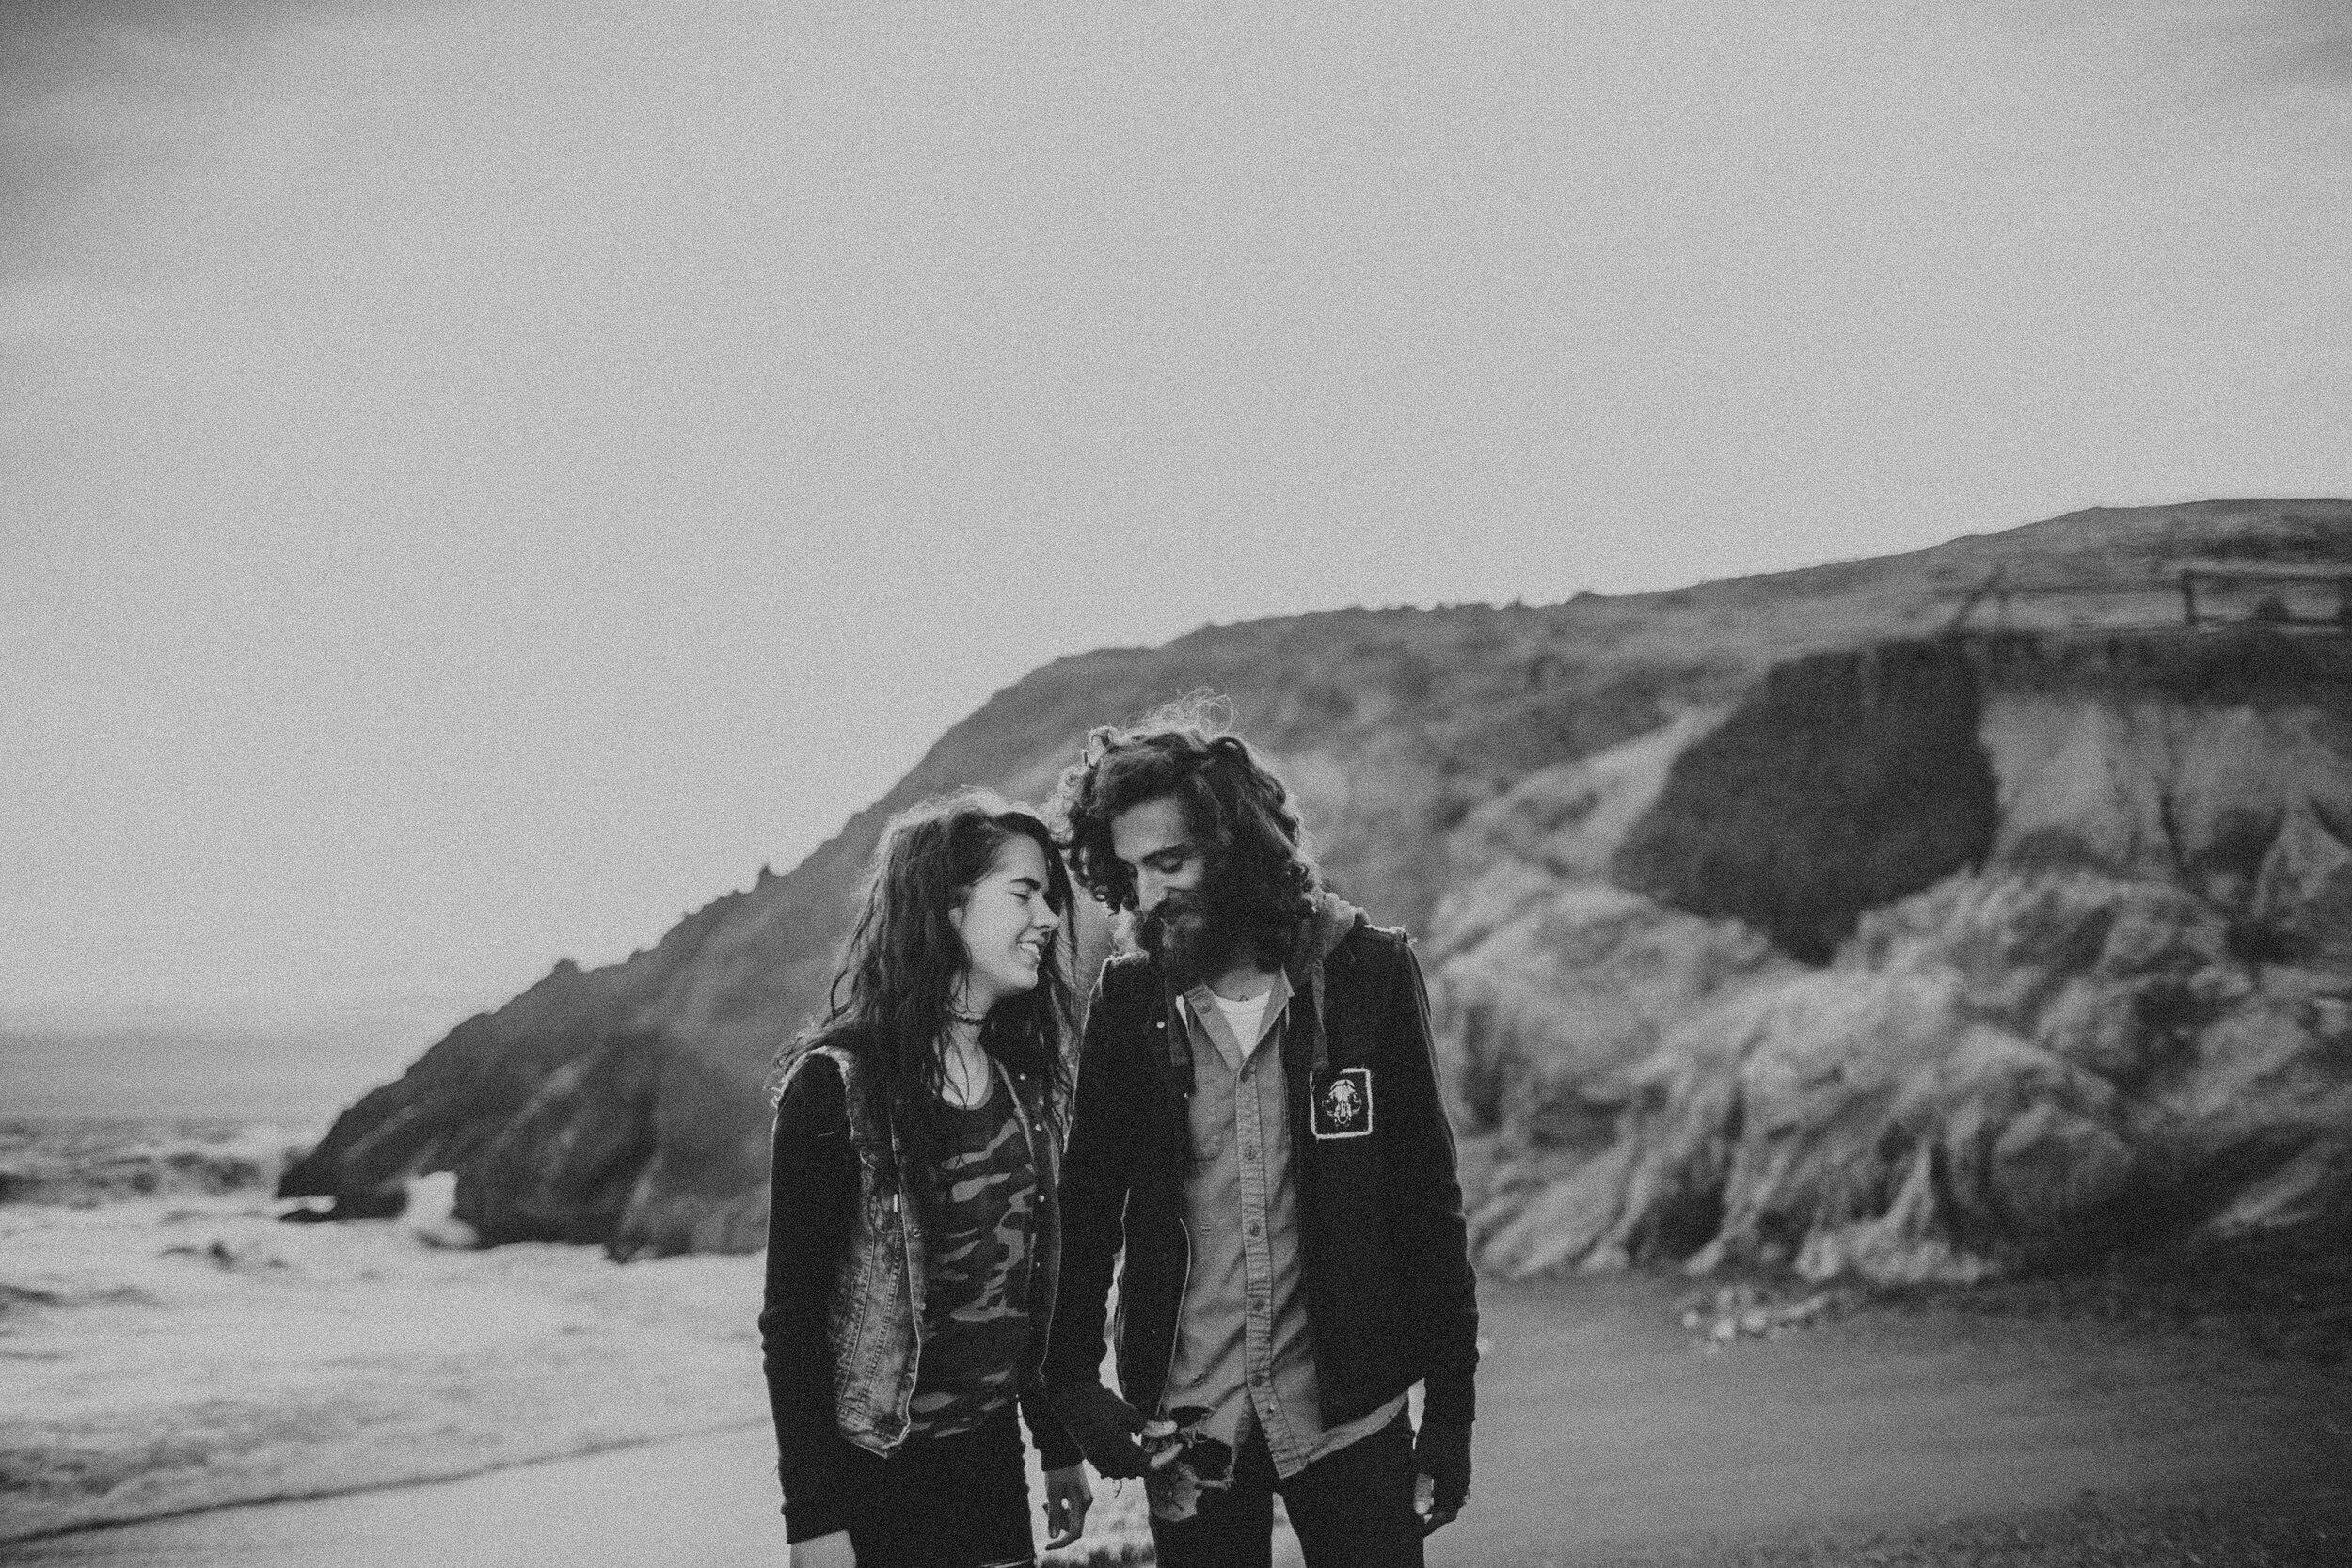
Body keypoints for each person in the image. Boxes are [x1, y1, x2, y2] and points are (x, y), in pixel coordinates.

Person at [1042, 706, 1480, 1568]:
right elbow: (1086, 1206)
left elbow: (1428, 1203)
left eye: (1170, 861)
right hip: (1188, 1429)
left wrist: (1453, 1409)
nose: (1150, 893)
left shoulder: (1369, 972)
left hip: (1352, 1412)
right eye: (1130, 872)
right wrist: (1071, 1383)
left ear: (1236, 845)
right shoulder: (1129, 1001)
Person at [760, 791, 1092, 1568]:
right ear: (948, 907)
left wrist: (1056, 1444)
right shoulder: (837, 1088)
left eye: (1049, 897)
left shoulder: (1024, 1084)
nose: (1047, 917)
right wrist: (811, 1517)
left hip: (989, 1467)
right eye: (1023, 893)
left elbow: (1023, 1290)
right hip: (873, 1478)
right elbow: (794, 1317)